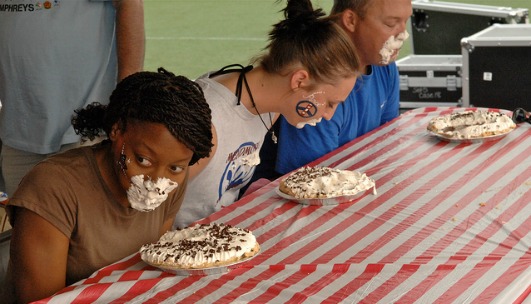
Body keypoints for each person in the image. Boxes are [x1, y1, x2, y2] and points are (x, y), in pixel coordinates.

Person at [2, 68, 214, 303]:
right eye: (143, 160)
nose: (156, 183)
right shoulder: (52, 188)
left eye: (175, 168)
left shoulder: (172, 182)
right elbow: (41, 300)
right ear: (117, 130)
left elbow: (153, 264)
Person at [173, 0, 361, 228]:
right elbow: (145, 209)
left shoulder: (271, 109)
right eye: (330, 103)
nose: (330, 115)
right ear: (299, 80)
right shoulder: (209, 120)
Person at [249, 0, 412, 184]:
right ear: (350, 19)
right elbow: (312, 183)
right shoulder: (318, 85)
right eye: (391, 24)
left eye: (406, 21)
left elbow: (386, 145)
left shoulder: (385, 68)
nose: (403, 34)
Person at [0, 0, 145, 196]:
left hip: (86, 131)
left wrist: (127, 96)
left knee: (85, 222)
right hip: (19, 131)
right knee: (24, 222)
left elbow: (128, 2)